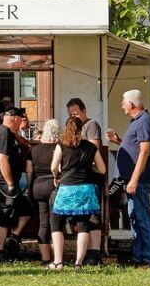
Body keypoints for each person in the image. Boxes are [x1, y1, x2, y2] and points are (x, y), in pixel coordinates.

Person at [106, 89, 150, 267]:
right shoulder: (138, 121)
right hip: (131, 180)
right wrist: (119, 141)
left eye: (123, 102)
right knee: (135, 217)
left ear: (131, 104)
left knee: (142, 218)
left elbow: (145, 151)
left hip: (139, 181)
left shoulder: (144, 121)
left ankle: (148, 258)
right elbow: (136, 148)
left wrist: (134, 179)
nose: (122, 105)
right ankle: (138, 257)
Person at [50, 116, 106, 271]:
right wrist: (90, 168)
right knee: (83, 225)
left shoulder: (62, 145)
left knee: (56, 222)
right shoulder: (90, 147)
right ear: (82, 130)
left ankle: (58, 262)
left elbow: (54, 166)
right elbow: (102, 169)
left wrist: (57, 176)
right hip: (86, 189)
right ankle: (78, 263)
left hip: (67, 188)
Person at [0, 107, 32, 259]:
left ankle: (13, 237)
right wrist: (10, 184)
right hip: (2, 181)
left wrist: (21, 139)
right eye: (20, 119)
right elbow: (2, 159)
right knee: (4, 215)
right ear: (15, 118)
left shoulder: (8, 133)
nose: (21, 122)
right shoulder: (3, 133)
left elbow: (23, 142)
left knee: (26, 210)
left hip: (7, 181)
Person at [66, 97, 105, 265]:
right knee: (81, 217)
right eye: (70, 114)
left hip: (92, 177)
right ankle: (88, 251)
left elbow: (93, 148)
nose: (73, 116)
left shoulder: (92, 125)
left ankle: (95, 251)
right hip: (81, 179)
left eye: (75, 113)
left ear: (84, 111)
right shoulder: (74, 128)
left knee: (94, 215)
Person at [28, 118, 61, 266]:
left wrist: (30, 186)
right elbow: (60, 168)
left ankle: (45, 259)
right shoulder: (59, 148)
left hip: (38, 185)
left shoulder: (34, 150)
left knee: (43, 223)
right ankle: (56, 259)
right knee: (55, 223)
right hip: (53, 185)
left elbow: (29, 171)